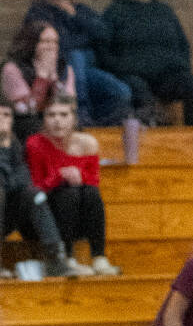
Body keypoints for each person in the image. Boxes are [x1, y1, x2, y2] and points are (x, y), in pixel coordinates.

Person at [98, 0, 193, 126]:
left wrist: (181, 66)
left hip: (167, 77)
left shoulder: (164, 10)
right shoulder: (114, 13)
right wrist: (121, 68)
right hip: (134, 76)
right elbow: (103, 50)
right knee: (139, 91)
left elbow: (183, 45)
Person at [24, 0, 133, 127]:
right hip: (57, 70)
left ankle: (99, 126)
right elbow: (58, 45)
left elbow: (103, 34)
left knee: (121, 92)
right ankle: (81, 117)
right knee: (76, 55)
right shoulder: (38, 12)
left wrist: (75, 17)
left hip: (88, 70)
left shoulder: (81, 10)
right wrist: (84, 39)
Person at [25, 95, 117, 274]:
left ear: (73, 118)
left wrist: (80, 176)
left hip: (80, 211)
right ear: (44, 119)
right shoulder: (35, 144)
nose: (57, 121)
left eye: (63, 115)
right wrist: (58, 176)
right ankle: (67, 257)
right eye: (51, 115)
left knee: (90, 192)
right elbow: (35, 188)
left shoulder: (88, 143)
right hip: (47, 211)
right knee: (69, 193)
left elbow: (93, 181)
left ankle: (99, 256)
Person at [0, 103, 70, 278]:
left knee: (35, 194)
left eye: (7, 115)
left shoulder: (14, 145)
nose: (3, 119)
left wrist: (5, 145)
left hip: (6, 214)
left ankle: (55, 258)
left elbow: (24, 180)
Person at [2, 19, 79, 138]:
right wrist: (42, 78)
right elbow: (26, 109)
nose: (51, 47)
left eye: (55, 42)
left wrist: (54, 79)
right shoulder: (12, 68)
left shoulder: (64, 68)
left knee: (74, 124)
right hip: (25, 122)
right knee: (31, 125)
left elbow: (69, 103)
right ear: (32, 43)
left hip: (54, 116)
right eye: (45, 42)